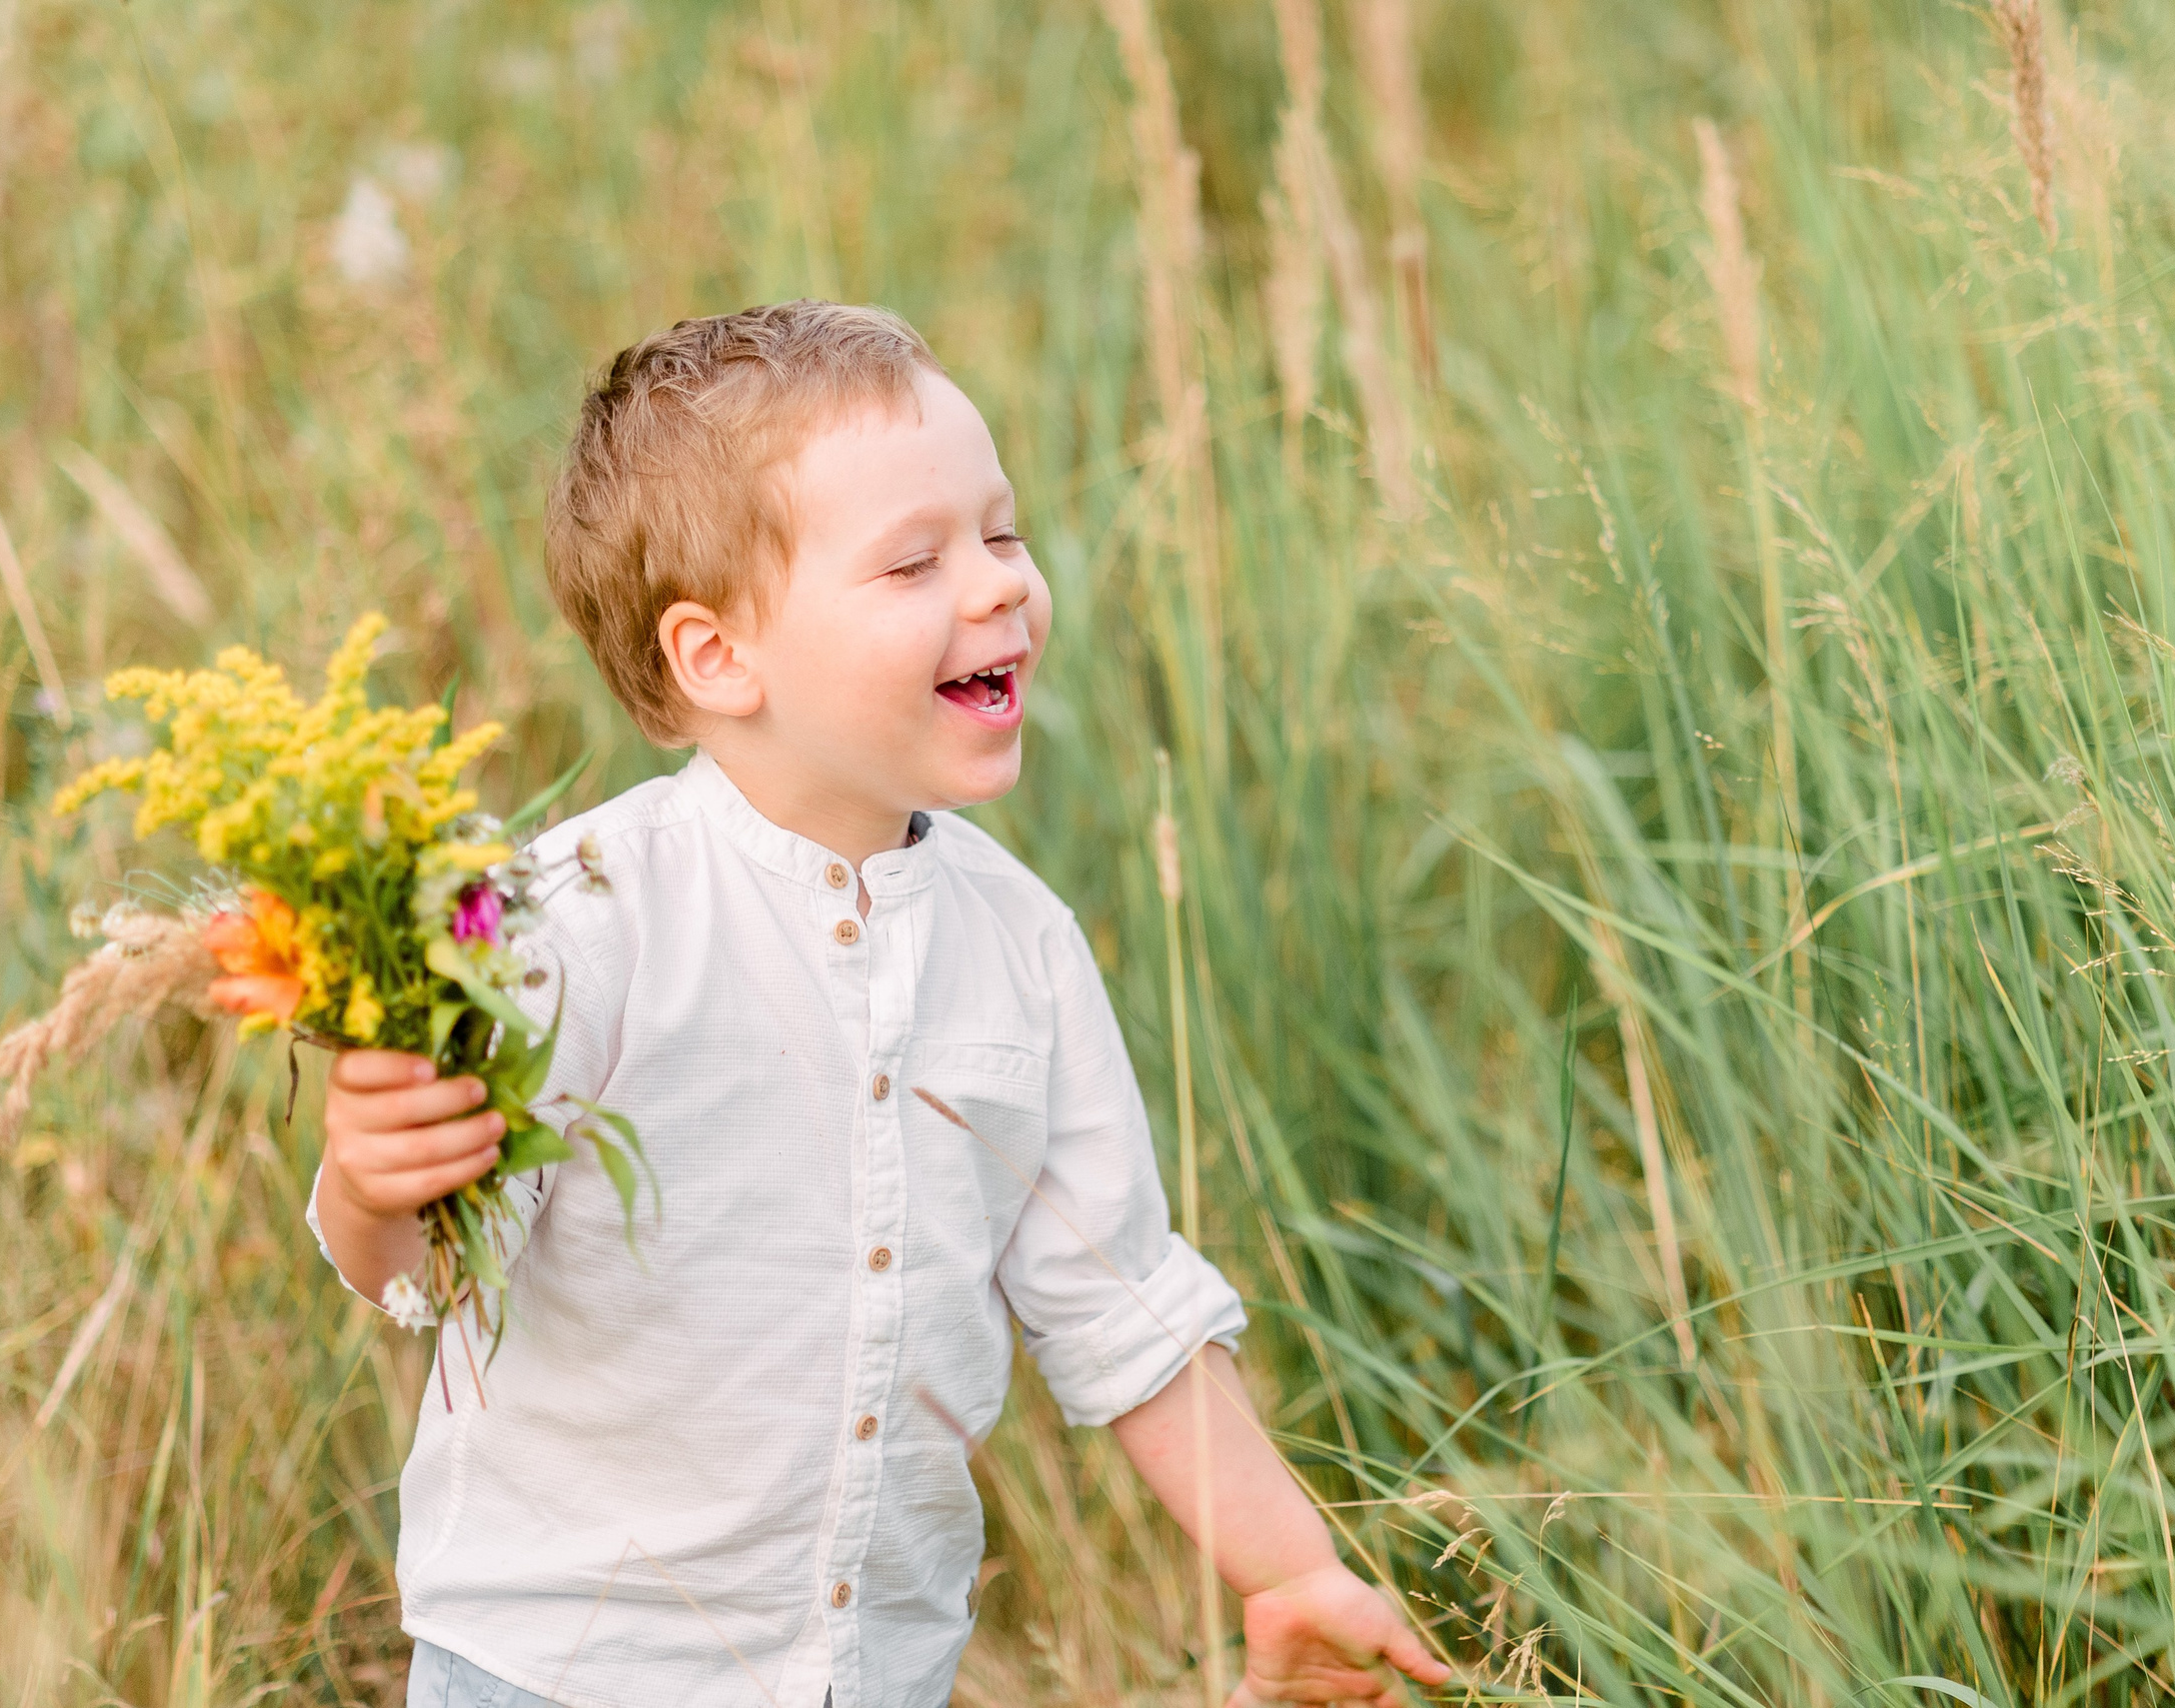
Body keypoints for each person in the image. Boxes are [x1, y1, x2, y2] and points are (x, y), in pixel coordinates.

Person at [307, 301, 1451, 1708]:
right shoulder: (577, 921)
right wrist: (371, 1181)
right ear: (717, 655)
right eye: (915, 561)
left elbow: (1124, 1308)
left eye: (1002, 535)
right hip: (561, 1670)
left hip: (868, 1673)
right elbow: (428, 1270)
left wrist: (1287, 1574)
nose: (997, 588)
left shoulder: (1020, 945)